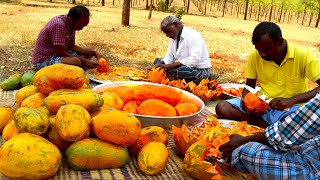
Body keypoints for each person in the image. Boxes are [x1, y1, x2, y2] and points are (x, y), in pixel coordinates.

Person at [215, 22, 320, 128]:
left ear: (280, 41)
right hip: (263, 105)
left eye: (266, 50)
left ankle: (270, 126)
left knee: (298, 123)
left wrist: (291, 100)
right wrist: (246, 102)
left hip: (289, 109)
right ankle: (267, 126)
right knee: (222, 107)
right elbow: (248, 86)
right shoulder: (255, 56)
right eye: (258, 50)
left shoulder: (303, 56)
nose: (262, 54)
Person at [219, 90, 320, 179]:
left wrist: (242, 142)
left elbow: (283, 134)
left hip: (313, 171)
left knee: (246, 150)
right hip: (311, 149)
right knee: (222, 107)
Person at [32, 5, 107, 70]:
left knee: (89, 52)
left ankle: (78, 66)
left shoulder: (71, 24)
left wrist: (95, 53)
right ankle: (78, 66)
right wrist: (83, 61)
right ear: (70, 19)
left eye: (84, 26)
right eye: (80, 25)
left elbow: (72, 46)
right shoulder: (59, 25)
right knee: (76, 61)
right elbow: (60, 53)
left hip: (57, 55)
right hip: (44, 60)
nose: (81, 28)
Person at [153, 16, 216, 84]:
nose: (167, 35)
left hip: (199, 70)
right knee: (157, 62)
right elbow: (170, 55)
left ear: (176, 24)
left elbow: (195, 60)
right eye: (165, 33)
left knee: (175, 71)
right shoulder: (174, 37)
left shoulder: (193, 35)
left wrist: (170, 66)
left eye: (168, 31)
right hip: (183, 66)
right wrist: (161, 64)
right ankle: (169, 77)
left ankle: (173, 81)